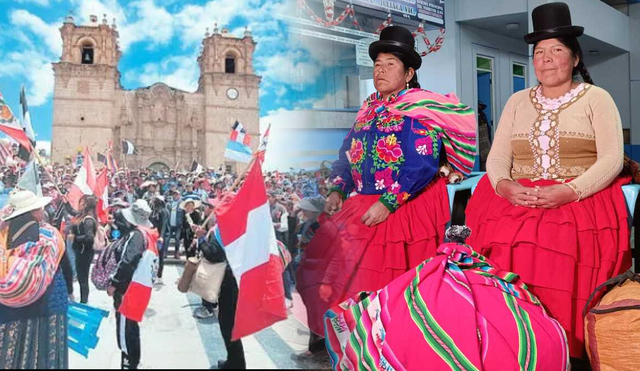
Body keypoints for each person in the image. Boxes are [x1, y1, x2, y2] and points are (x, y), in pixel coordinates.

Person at [465, 2, 630, 365]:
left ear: (574, 58)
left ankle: (561, 345)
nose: (547, 59)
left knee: (557, 239)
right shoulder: (516, 101)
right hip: (516, 194)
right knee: (501, 238)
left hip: (580, 195)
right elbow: (496, 157)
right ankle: (508, 339)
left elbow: (611, 159)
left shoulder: (596, 98)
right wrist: (505, 186)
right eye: (540, 52)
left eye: (557, 50)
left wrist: (570, 191)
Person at [296, 25, 476, 342]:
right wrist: (338, 188)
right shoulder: (368, 109)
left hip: (408, 205)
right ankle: (358, 346)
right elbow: (347, 154)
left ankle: (397, 345)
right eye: (377, 64)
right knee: (346, 277)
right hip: (366, 202)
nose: (381, 70)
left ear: (408, 73)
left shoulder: (420, 108)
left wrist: (388, 203)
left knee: (393, 282)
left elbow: (422, 163)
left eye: (390, 63)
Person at [0, 190, 68, 368]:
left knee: (11, 355)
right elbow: (65, 266)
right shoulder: (48, 235)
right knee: (43, 357)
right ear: (34, 212)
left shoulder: (3, 234)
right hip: (46, 307)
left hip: (7, 312)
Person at [108, 200, 159, 370]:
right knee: (131, 327)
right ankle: (133, 361)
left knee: (125, 332)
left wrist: (115, 283)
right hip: (135, 289)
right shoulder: (147, 234)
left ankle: (129, 363)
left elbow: (128, 261)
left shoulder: (137, 235)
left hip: (127, 290)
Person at [69, 194, 98, 304]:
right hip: (79, 251)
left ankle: (84, 302)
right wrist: (66, 202)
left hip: (84, 252)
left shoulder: (88, 220)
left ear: (86, 205)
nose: (79, 205)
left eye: (81, 203)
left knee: (83, 279)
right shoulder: (81, 215)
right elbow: (72, 211)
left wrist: (75, 238)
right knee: (81, 278)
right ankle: (83, 300)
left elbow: (89, 238)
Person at [149, 196, 168, 286]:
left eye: (155, 200)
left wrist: (161, 236)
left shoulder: (164, 211)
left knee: (160, 257)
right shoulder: (154, 211)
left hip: (162, 236)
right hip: (154, 235)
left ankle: (159, 276)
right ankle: (153, 274)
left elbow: (164, 224)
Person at [166, 190, 184, 259]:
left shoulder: (182, 204)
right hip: (170, 224)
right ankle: (165, 253)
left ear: (179, 195)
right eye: (174, 194)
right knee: (167, 239)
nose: (175, 196)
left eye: (177, 194)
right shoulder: (168, 204)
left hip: (178, 225)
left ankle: (176, 253)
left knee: (177, 239)